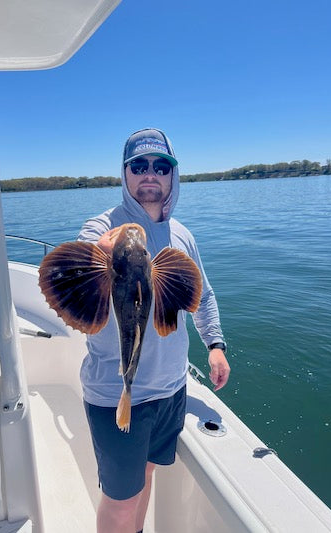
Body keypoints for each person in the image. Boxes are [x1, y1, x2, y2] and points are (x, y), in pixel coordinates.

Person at [77, 128, 230, 533]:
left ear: (172, 176)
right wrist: (101, 256)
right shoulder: (102, 226)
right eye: (139, 166)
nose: (150, 174)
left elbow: (203, 294)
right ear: (125, 174)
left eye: (161, 167)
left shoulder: (182, 235)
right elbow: (82, 262)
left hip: (170, 391)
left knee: (145, 479)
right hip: (117, 394)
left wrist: (214, 344)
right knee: (121, 503)